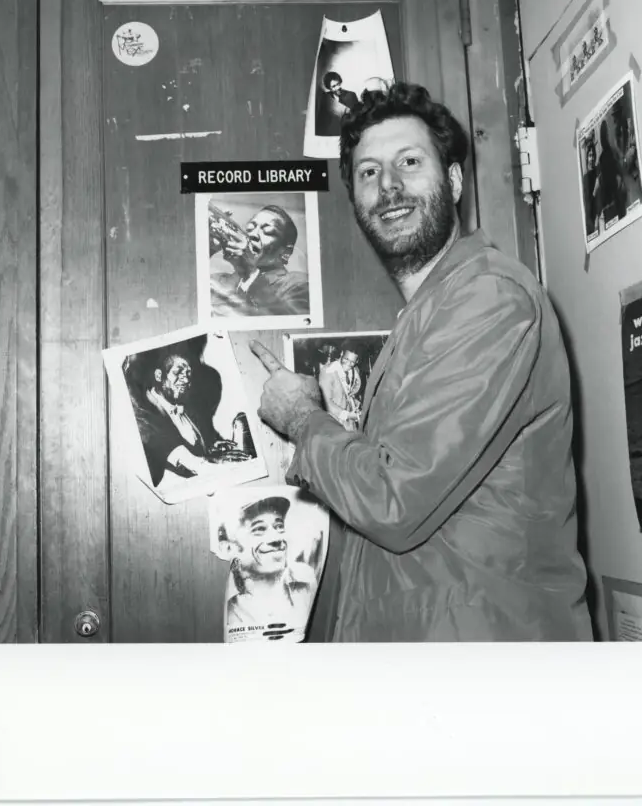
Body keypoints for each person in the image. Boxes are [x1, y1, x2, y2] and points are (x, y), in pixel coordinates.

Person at [251, 80, 593, 642]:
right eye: (368, 172)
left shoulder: (488, 297)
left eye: (409, 161)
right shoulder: (428, 315)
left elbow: (392, 500)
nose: (389, 186)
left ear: (454, 181)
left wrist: (301, 418)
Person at [129, 347, 249, 490]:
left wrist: (209, 448)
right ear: (159, 376)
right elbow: (172, 454)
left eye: (188, 374)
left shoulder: (189, 408)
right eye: (177, 373)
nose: (185, 379)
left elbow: (197, 445)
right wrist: (209, 460)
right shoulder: (142, 411)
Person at [218, 495, 318, 633]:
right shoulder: (228, 612)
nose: (276, 538)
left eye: (279, 527)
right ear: (230, 548)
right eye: (259, 529)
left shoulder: (307, 590)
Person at [211, 204, 310, 317]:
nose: (252, 234)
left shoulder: (298, 284)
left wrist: (250, 273)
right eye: (250, 228)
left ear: (286, 253)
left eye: (268, 231)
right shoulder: (217, 280)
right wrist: (209, 247)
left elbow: (288, 322)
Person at [318, 348, 362, 431]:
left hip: (350, 425)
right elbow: (326, 402)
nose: (348, 364)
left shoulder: (354, 371)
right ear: (341, 353)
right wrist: (347, 415)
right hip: (333, 425)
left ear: (357, 361)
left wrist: (354, 402)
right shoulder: (328, 371)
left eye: (352, 362)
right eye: (346, 359)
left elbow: (345, 394)